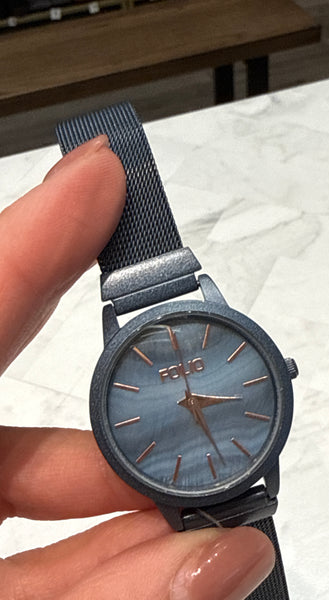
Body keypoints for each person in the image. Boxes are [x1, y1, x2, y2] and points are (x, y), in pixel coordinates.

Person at [0, 136, 275, 599]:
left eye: (194, 400)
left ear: (278, 371)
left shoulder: (202, 302)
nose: (191, 400)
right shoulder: (194, 312)